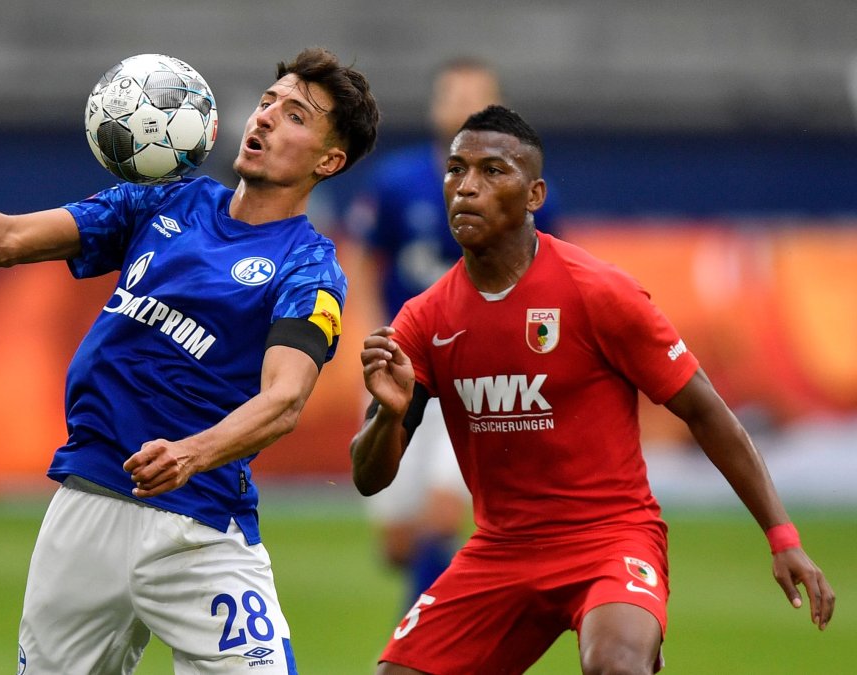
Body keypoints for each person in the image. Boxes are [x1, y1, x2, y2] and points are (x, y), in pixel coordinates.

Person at [0, 47, 379, 675]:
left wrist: (190, 454)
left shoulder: (309, 268)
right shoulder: (162, 202)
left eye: (295, 116)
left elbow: (284, 399)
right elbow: (7, 239)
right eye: (267, 102)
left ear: (329, 160)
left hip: (197, 527)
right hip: (87, 505)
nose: (264, 118)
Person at [350, 105, 834, 674]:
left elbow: (706, 411)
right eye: (456, 170)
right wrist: (389, 416)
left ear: (534, 196)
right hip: (501, 552)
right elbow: (368, 477)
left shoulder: (597, 292)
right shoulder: (422, 320)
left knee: (616, 665)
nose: (467, 186)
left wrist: (782, 536)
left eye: (492, 171)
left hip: (610, 540)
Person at [345, 58, 558, 605]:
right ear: (435, 106)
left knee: (442, 515)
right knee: (399, 540)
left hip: (481, 372)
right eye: (453, 95)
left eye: (476, 95)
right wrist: (368, 335)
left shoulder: (525, 190)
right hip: (405, 366)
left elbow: (549, 274)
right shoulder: (396, 182)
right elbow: (366, 261)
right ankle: (426, 612)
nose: (463, 105)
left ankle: (418, 641)